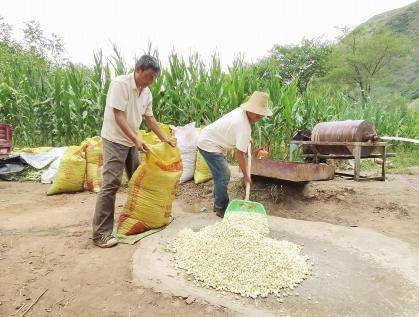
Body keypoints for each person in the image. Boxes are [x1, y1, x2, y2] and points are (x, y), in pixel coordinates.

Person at [92, 55, 176, 248]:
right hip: (114, 139)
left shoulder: (146, 92)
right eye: (148, 77)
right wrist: (136, 139)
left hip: (132, 141)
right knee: (111, 183)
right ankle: (101, 234)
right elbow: (118, 115)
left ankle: (142, 219)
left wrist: (166, 138)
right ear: (138, 70)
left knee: (139, 179)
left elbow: (151, 119)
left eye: (154, 78)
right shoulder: (120, 84)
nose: (150, 82)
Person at [197, 91, 272, 218]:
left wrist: (245, 138)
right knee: (224, 175)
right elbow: (239, 155)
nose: (261, 116)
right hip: (208, 144)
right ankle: (221, 208)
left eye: (262, 114)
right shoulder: (243, 126)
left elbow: (236, 131)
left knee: (220, 175)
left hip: (211, 140)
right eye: (258, 113)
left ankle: (218, 204)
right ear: (250, 110)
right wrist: (246, 175)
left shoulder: (241, 113)